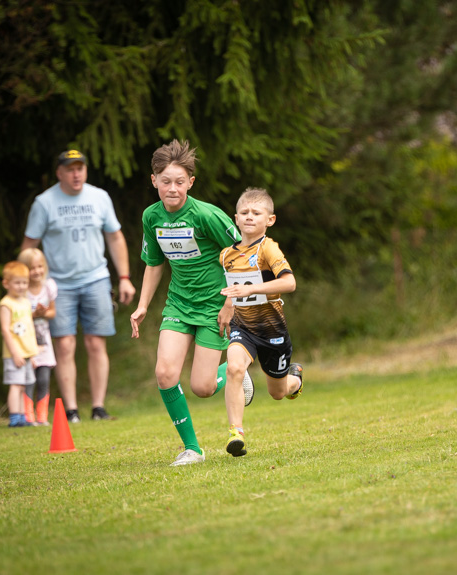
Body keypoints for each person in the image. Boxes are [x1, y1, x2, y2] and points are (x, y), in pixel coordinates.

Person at [130, 139, 250, 467]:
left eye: (180, 182)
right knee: (165, 373)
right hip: (179, 305)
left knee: (202, 387)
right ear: (153, 180)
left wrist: (231, 304)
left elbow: (244, 254)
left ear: (191, 183)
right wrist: (142, 305)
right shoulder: (151, 217)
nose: (172, 189)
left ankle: (235, 373)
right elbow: (154, 263)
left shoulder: (206, 215)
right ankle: (192, 449)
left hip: (215, 308)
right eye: (165, 181)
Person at [21, 150, 136, 423]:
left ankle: (98, 408)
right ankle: (71, 411)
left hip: (96, 278)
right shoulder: (44, 202)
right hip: (58, 285)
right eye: (70, 169)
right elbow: (29, 246)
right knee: (64, 345)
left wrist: (124, 277)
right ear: (59, 172)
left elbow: (115, 238)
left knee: (96, 343)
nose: (76, 174)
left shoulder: (99, 197)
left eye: (80, 168)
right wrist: (23, 288)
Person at [220, 187, 303, 457]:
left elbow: (289, 282)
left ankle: (295, 379)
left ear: (270, 220)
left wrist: (252, 290)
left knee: (278, 392)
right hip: (243, 328)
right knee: (234, 368)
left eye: (256, 213)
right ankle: (236, 433)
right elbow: (235, 288)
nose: (249, 217)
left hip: (272, 331)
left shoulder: (268, 248)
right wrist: (227, 306)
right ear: (235, 218)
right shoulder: (226, 255)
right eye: (244, 212)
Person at [18, 248, 57, 426]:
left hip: (44, 342)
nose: (37, 271)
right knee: (28, 379)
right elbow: (18, 315)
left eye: (40, 266)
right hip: (25, 342)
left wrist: (43, 312)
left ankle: (42, 417)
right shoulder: (21, 290)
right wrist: (33, 315)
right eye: (32, 268)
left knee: (43, 379)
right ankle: (28, 416)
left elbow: (52, 313)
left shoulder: (49, 287)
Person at [0, 261, 40, 428]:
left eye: (24, 282)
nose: (22, 286)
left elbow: (29, 329)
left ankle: (23, 417)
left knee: (23, 385)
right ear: (6, 283)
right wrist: (15, 353)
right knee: (15, 385)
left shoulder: (25, 302)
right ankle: (14, 418)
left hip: (27, 353)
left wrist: (33, 354)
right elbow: (5, 330)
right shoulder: (6, 304)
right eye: (17, 282)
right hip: (14, 354)